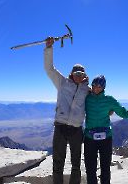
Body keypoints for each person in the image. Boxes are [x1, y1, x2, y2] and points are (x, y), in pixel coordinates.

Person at [84, 75, 128, 184]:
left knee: (105, 169)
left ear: (103, 87)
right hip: (90, 139)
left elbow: (124, 113)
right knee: (90, 169)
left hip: (106, 139)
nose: (96, 88)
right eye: (94, 85)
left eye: (99, 86)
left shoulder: (110, 100)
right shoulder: (86, 98)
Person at [44, 37, 90, 184]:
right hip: (61, 126)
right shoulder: (62, 83)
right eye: (76, 73)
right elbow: (49, 69)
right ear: (71, 73)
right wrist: (49, 48)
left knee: (76, 164)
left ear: (84, 76)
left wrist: (108, 109)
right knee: (58, 162)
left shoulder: (87, 90)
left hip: (76, 129)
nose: (78, 76)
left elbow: (97, 102)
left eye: (81, 74)